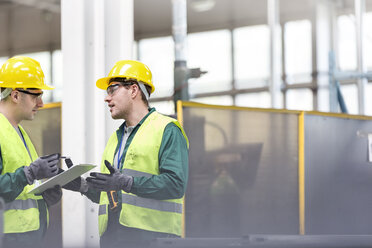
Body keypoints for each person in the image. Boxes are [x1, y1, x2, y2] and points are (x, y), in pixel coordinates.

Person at [66, 60, 189, 248]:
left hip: (153, 238)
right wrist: (82, 186)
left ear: (133, 90)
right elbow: (114, 197)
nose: (107, 98)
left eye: (112, 90)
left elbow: (175, 185)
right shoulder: (116, 139)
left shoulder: (167, 129)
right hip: (114, 236)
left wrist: (127, 183)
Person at [0, 56, 62, 248]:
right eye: (36, 96)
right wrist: (29, 173)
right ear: (16, 95)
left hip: (28, 236)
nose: (41, 103)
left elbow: (22, 186)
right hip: (8, 237)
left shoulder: (18, 132)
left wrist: (43, 195)